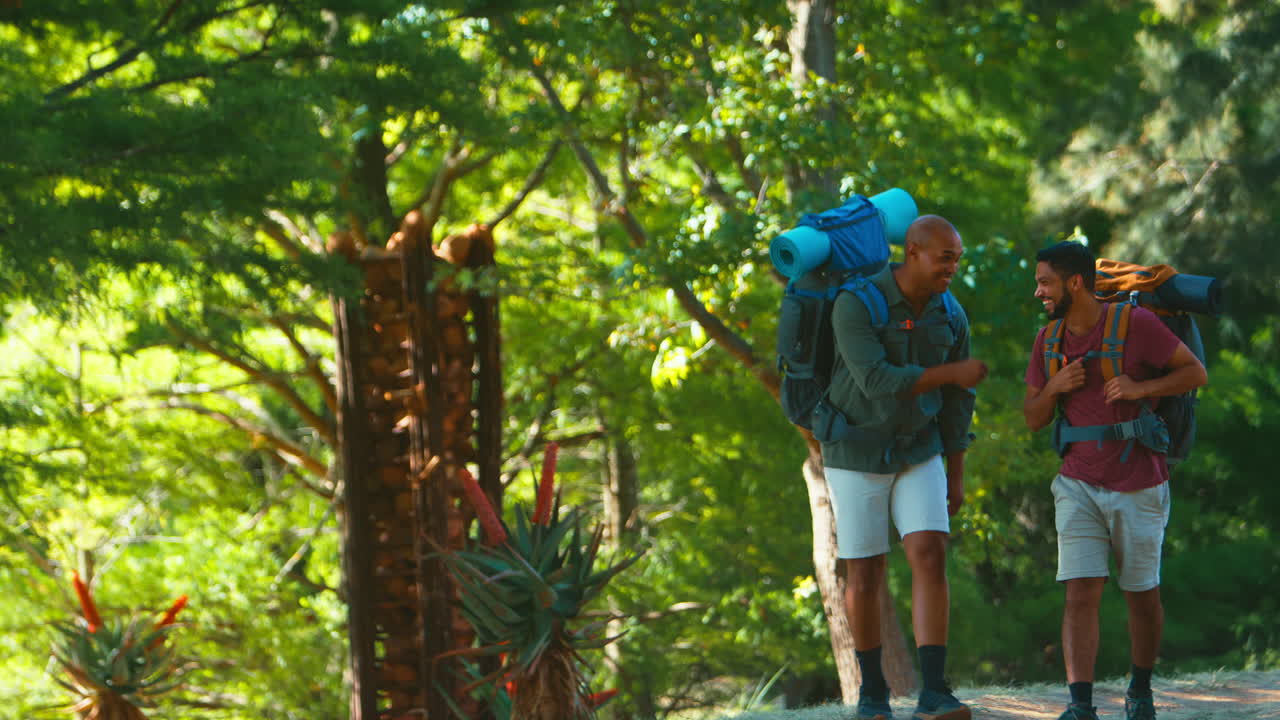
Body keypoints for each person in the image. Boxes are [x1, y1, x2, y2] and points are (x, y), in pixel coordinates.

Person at [1023, 241, 1208, 720]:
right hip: (1076, 482)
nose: (1038, 290)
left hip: (1139, 480)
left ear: (1075, 282)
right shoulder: (1047, 341)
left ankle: (1140, 690)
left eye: (1045, 281)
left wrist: (1143, 388)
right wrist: (1055, 388)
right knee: (1080, 591)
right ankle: (1080, 704)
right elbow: (1032, 418)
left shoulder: (1136, 325)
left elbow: (1196, 372)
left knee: (1141, 594)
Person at [822, 215, 987, 720]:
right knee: (866, 571)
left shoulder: (950, 313)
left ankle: (934, 692)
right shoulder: (857, 304)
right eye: (945, 258)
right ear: (912, 252)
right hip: (856, 454)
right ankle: (872, 695)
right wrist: (948, 371)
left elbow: (960, 401)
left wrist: (956, 472)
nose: (953, 268)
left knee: (930, 553)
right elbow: (875, 380)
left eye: (957, 259)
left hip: (920, 449)